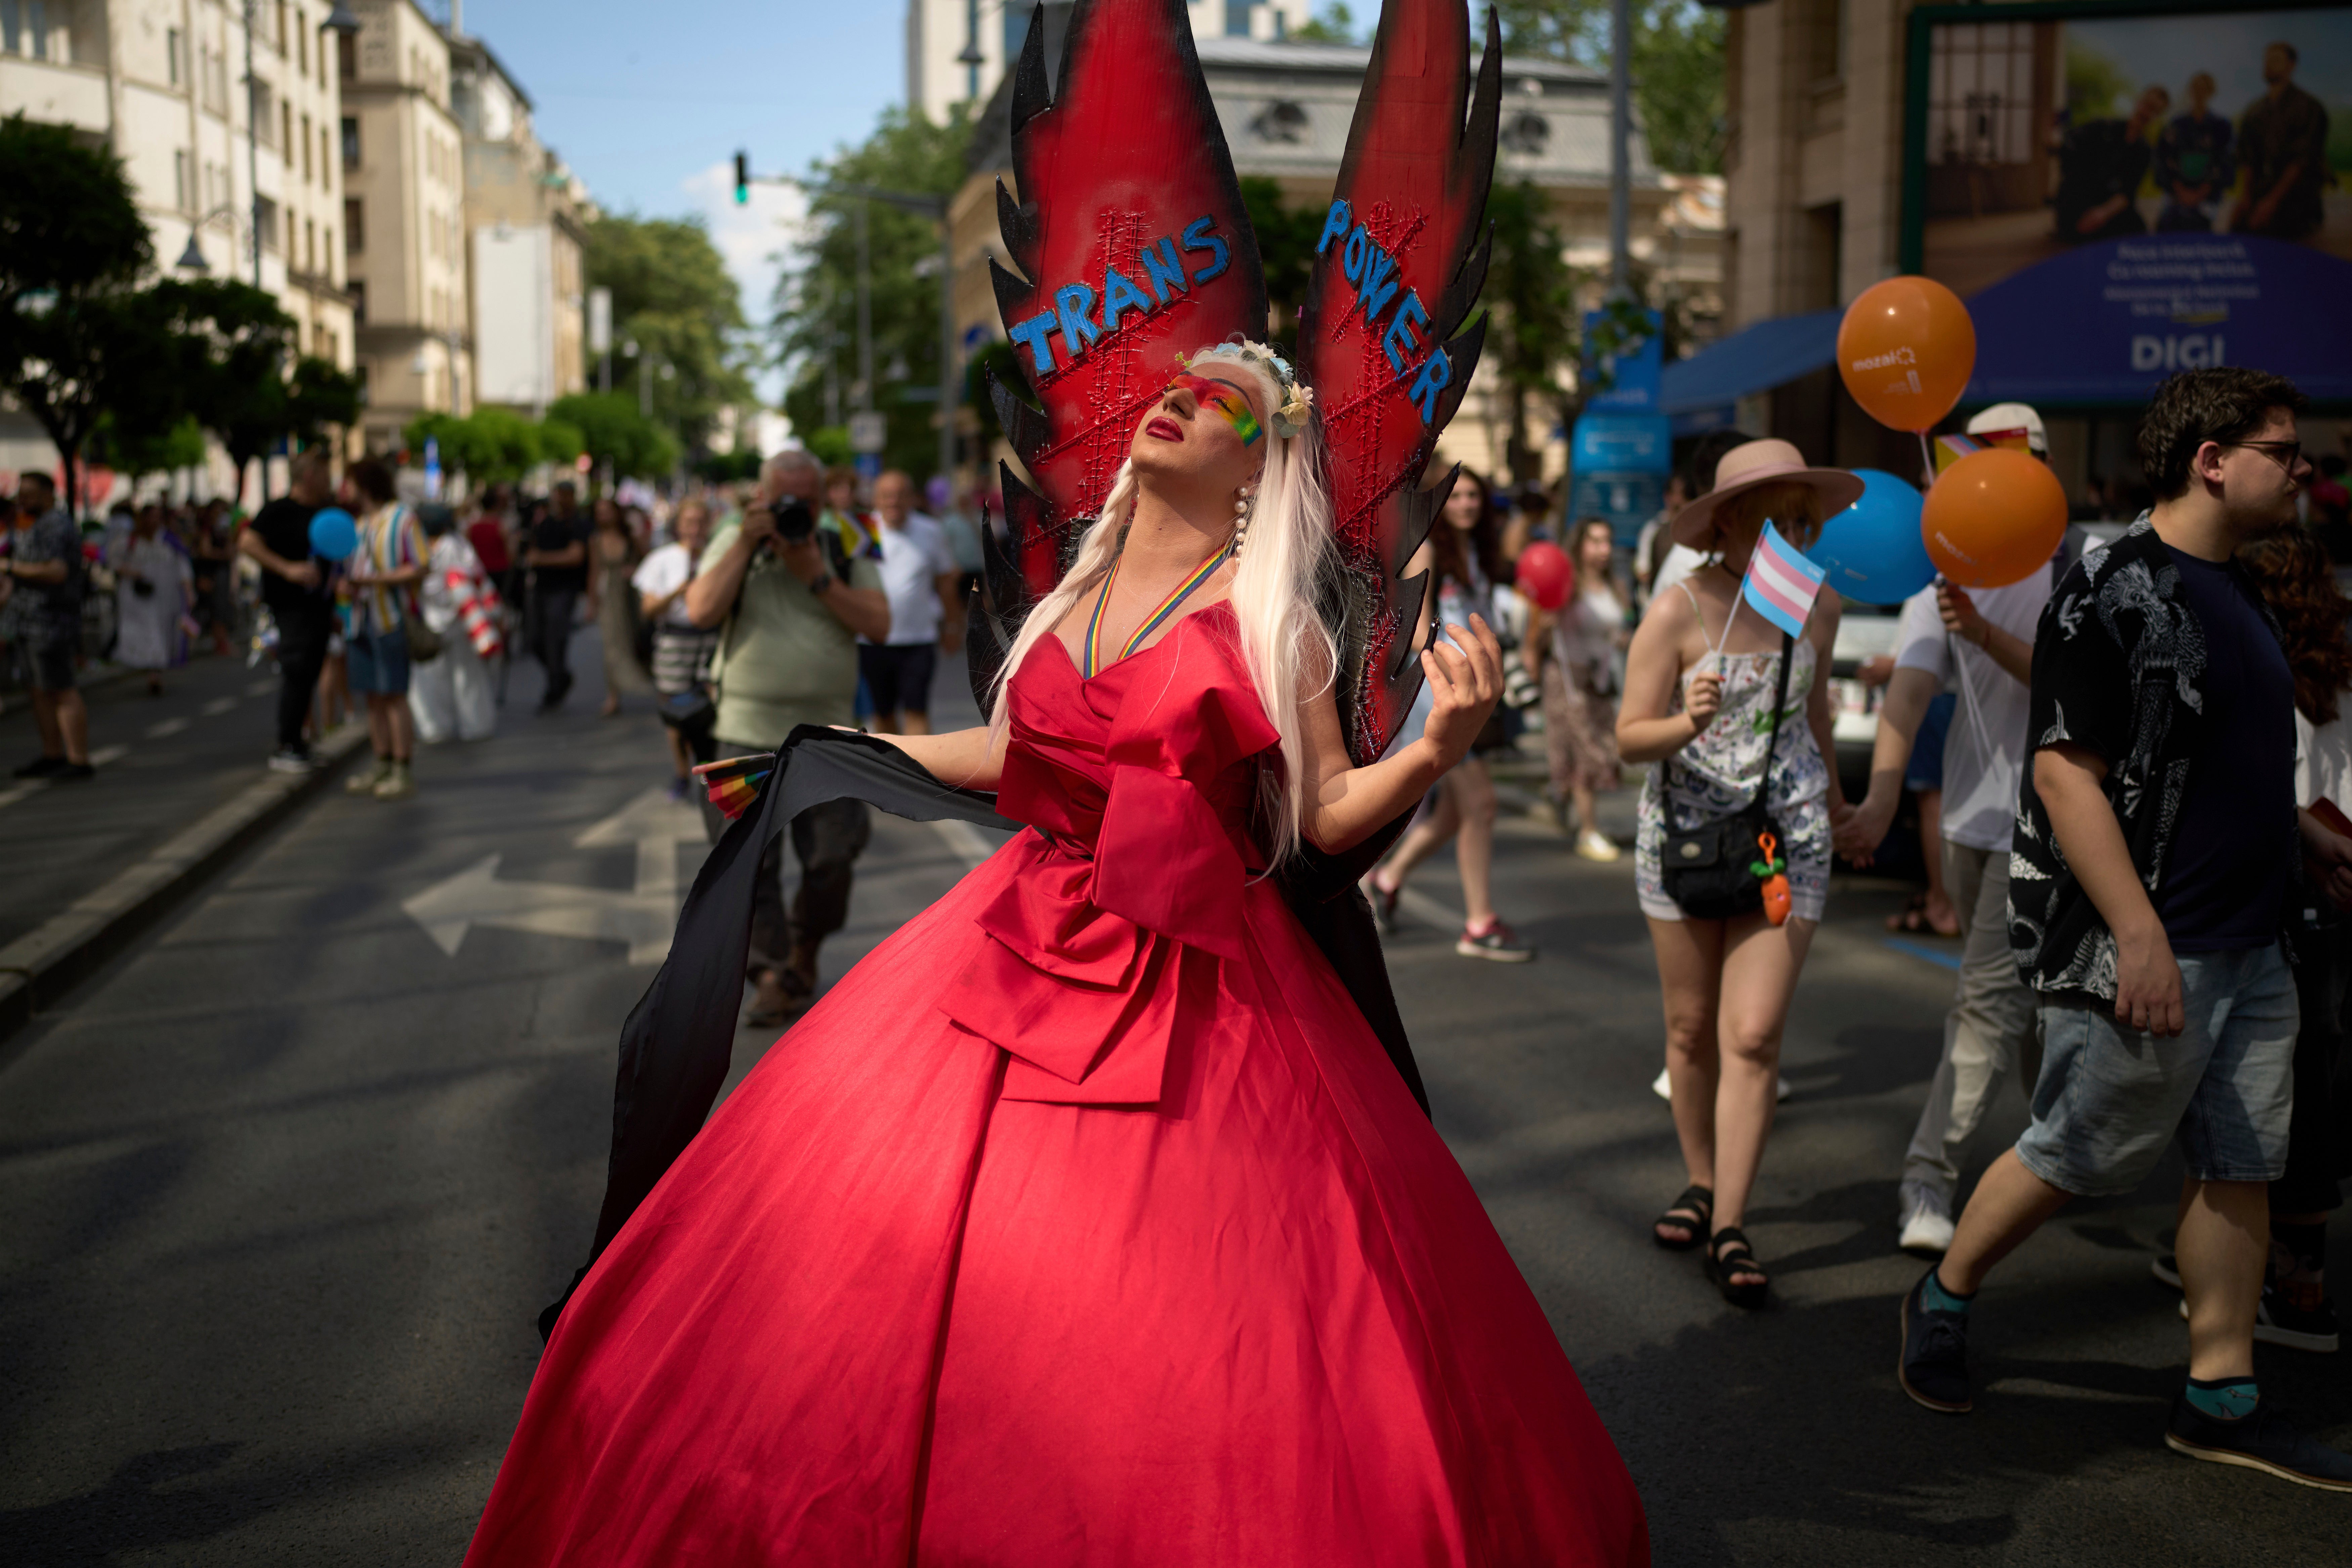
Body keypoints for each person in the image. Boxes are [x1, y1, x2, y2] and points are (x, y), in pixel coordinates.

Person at [462, 342, 1647, 1566]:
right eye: (1175, 385)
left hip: (1200, 985)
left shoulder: (1271, 622)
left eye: (1221, 402)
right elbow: (1007, 753)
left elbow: (1326, 814)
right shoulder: (1070, 600)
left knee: (1174, 1320)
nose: (1179, 401)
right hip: (1008, 939)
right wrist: (822, 753)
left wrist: (1433, 750)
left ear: (1260, 461)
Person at [1898, 367, 2352, 1491]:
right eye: (2282, 450)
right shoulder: (2115, 584)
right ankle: (1943, 1292)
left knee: (2240, 1165)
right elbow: (2065, 772)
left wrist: (2306, 834)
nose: (2302, 469)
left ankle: (2220, 1394)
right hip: (2167, 945)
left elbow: (2205, 762)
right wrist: (2140, 935)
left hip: (2254, 944)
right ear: (2211, 459)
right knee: (2075, 1152)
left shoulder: (2235, 589)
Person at [1618, 438, 1856, 1309]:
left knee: (1751, 1034)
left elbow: (1815, 718)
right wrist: (1685, 719)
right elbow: (1626, 737)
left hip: (1781, 841)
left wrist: (1842, 803)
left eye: (1799, 508)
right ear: (1725, 519)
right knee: (1690, 1029)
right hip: (1682, 837)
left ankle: (1731, 1221)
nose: (1790, 523)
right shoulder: (1679, 608)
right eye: (1771, 507)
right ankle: (1700, 1177)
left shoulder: (1812, 606)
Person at [1837, 405, 2058, 1255]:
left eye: (2018, 464)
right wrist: (1883, 796)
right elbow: (1909, 687)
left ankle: (1929, 1176)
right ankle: (2057, 1146)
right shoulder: (1950, 569)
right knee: (2018, 1004)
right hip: (1971, 823)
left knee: (1996, 1004)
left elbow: (2071, 682)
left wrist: (1988, 632)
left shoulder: (2084, 565)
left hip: (2052, 828)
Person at [2209, 520, 2352, 1355]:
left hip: (2281, 894)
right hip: (2337, 892)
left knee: (2269, 1086)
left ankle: (2284, 1282)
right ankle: (2292, 1274)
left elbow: (2265, 792)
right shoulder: (2336, 671)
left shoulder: (2256, 674)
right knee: (2321, 1080)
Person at [683, 451, 891, 1023]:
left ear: (825, 499)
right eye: (784, 501)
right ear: (762, 499)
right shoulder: (733, 532)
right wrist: (749, 542)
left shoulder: (852, 533)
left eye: (808, 499)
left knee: (833, 857)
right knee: (747, 866)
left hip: (828, 734)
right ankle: (774, 972)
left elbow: (879, 623)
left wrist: (816, 577)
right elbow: (699, 609)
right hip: (742, 732)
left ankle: (805, 950)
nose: (797, 509)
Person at [1365, 469, 1535, 961]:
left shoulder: (1479, 553)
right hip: (1444, 692)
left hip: (1478, 690)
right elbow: (1418, 633)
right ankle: (1479, 923)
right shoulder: (1429, 548)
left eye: (1474, 496)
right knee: (1480, 803)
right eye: (1456, 495)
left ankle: (1388, 877)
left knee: (1456, 812)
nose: (1465, 504)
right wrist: (1449, 673)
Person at [1536, 516, 1627, 861]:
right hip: (1568, 680)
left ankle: (1558, 793)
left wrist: (1623, 639)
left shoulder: (1615, 586)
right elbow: (1541, 630)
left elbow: (1612, 630)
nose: (1603, 550)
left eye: (1607, 542)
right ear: (1580, 545)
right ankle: (1588, 830)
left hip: (1601, 681)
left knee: (1600, 749)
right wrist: (1545, 625)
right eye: (1595, 541)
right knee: (1586, 752)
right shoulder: (1568, 584)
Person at [240, 449, 337, 773]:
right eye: (324, 474)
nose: (329, 481)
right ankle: (287, 744)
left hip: (320, 604)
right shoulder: (279, 510)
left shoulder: (324, 511)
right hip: (291, 606)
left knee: (310, 672)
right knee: (296, 671)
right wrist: (287, 569)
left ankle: (300, 740)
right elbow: (248, 544)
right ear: (309, 476)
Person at [338, 457, 427, 801]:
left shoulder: (402, 519)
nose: (344, 489)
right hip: (359, 619)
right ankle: (381, 761)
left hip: (390, 617)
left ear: (364, 484)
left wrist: (376, 580)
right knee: (372, 695)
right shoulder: (359, 525)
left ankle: (403, 767)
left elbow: (421, 566)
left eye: (349, 482)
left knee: (394, 693)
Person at [4, 473, 94, 782]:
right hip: (29, 621)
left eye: (29, 494)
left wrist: (9, 567)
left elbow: (57, 572)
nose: (23, 500)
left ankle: (78, 759)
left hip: (51, 622)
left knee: (60, 688)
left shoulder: (56, 525)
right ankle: (52, 754)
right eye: (21, 494)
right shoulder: (29, 524)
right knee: (39, 690)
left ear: (48, 494)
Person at [859, 469, 963, 736]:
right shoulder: (863, 530)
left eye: (900, 495)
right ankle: (888, 770)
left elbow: (945, 582)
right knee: (883, 713)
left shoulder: (930, 530)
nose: (894, 501)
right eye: (887, 496)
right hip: (872, 640)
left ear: (912, 498)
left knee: (916, 710)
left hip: (918, 639)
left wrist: (953, 627)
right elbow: (851, 584)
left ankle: (918, 772)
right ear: (876, 499)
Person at [633, 498, 720, 798]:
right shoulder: (662, 559)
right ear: (679, 525)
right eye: (689, 522)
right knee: (675, 711)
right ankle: (682, 772)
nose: (695, 529)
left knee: (711, 709)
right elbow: (648, 609)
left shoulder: (718, 557)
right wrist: (676, 593)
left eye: (700, 522)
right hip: (675, 642)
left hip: (710, 639)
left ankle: (709, 768)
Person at [408, 503, 499, 744]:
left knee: (431, 677)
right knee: (467, 676)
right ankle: (475, 724)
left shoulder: (423, 549)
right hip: (460, 618)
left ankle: (436, 726)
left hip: (434, 619)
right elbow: (474, 578)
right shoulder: (458, 545)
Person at [2232, 42, 2329, 241]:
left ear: (2291, 65)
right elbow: (2248, 159)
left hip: (2298, 202)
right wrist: (2246, 198)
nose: (2268, 65)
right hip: (2260, 197)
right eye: (2266, 60)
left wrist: (2271, 203)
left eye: (2276, 60)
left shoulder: (2309, 107)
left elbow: (2302, 160)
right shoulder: (2255, 112)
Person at [2052, 86, 2168, 242]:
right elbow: (2068, 148)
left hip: (2107, 206)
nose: (2147, 112)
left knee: (2137, 232)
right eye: (2147, 105)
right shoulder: (2103, 128)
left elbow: (2127, 193)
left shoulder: (2144, 151)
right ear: (2139, 102)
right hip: (2080, 198)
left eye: (2154, 110)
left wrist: (2102, 214)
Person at [108, 503, 191, 694]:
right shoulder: (129, 541)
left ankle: (156, 670)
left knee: (161, 631)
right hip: (137, 597)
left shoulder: (169, 540)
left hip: (165, 596)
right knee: (147, 632)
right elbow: (113, 562)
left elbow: (182, 566)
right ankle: (153, 672)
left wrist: (188, 591)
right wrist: (133, 573)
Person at [523, 480, 590, 711]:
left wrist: (541, 558)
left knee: (555, 640)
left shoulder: (579, 524)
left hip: (564, 590)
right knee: (534, 640)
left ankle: (555, 685)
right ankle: (559, 675)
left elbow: (575, 556)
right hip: (541, 588)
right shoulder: (545, 522)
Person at [589, 496, 651, 718]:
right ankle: (613, 695)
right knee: (612, 645)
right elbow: (594, 571)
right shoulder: (596, 540)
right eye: (600, 512)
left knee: (636, 639)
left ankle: (652, 683)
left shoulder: (630, 537)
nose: (604, 515)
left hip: (630, 596)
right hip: (609, 597)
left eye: (607, 511)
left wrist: (635, 569)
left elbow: (649, 558)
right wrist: (592, 602)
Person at [2155, 72, 2234, 233]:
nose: (2199, 93)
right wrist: (2180, 191)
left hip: (2208, 196)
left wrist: (2200, 193)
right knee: (2166, 224)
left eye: (2204, 89)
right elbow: (2163, 158)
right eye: (2195, 88)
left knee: (2202, 225)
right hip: (2177, 195)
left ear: (2211, 92)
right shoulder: (2177, 125)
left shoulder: (2221, 127)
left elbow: (2226, 162)